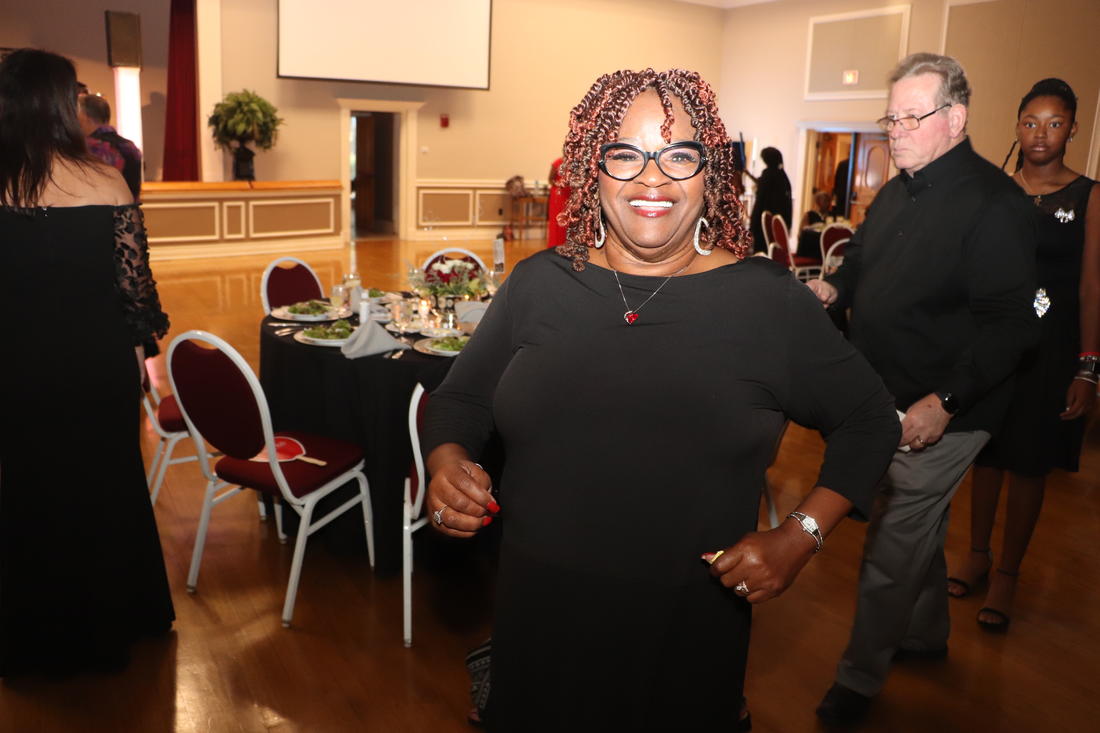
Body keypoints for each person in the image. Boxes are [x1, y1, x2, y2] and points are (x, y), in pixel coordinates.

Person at [423, 68, 900, 733]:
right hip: (540, 632)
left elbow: (869, 420)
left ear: (712, 173)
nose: (653, 179)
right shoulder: (538, 285)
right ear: (593, 168)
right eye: (626, 154)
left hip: (684, 645)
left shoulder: (766, 303)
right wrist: (446, 462)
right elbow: (461, 398)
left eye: (679, 156)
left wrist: (801, 535)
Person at [807, 53, 1040, 725]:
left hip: (948, 408)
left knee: (892, 534)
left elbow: (1013, 325)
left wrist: (946, 402)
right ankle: (926, 634)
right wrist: (835, 289)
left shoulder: (995, 203)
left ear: (955, 118)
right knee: (914, 526)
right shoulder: (898, 189)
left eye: (912, 117)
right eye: (891, 118)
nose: (896, 131)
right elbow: (862, 262)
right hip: (884, 395)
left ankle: (858, 678)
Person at [0, 49, 174, 676]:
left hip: (19, 366)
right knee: (109, 484)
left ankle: (35, 631)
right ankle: (118, 617)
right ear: (56, 103)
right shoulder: (106, 183)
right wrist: (141, 361)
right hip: (97, 363)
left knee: (30, 489)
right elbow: (135, 294)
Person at [947, 78, 1099, 631]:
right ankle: (977, 556)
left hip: (1053, 347)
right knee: (986, 453)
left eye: (1054, 123)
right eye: (1030, 122)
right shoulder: (997, 191)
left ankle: (1008, 574)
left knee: (1030, 461)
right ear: (1017, 126)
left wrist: (1088, 367)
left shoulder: (1089, 195)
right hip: (996, 342)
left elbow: (1090, 287)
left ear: (1072, 130)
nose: (1040, 134)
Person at [77, 91, 143, 201]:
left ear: (84, 117)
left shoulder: (88, 147)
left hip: (99, 209)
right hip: (128, 208)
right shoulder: (130, 146)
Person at [748, 146, 792, 253]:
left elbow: (760, 199)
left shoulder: (767, 174)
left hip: (764, 221)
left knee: (761, 250)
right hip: (779, 220)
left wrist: (753, 223)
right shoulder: (783, 176)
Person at [545, 157, 570, 248]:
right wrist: (560, 184)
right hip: (558, 195)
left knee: (568, 220)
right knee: (557, 219)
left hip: (569, 194)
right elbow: (550, 179)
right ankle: (555, 244)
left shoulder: (575, 162)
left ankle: (567, 244)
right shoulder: (557, 162)